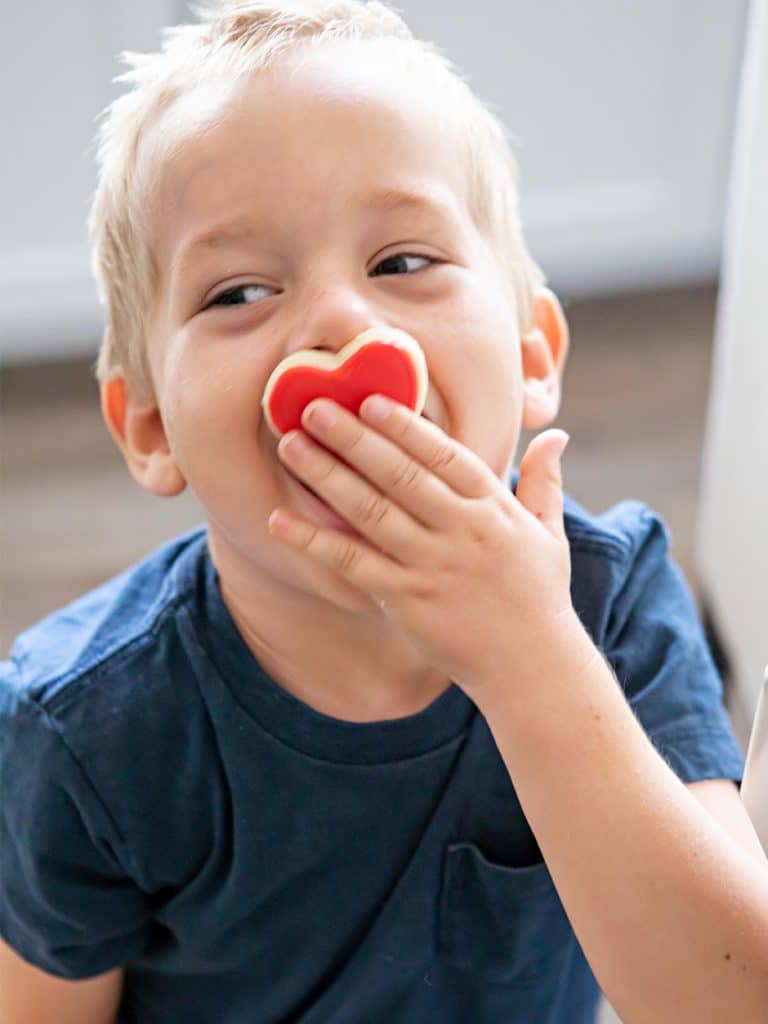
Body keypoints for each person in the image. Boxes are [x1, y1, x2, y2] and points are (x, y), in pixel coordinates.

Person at [2, 2, 768, 1021]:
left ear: (534, 354)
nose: (338, 324)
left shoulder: (614, 605)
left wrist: (529, 655)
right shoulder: (79, 728)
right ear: (148, 426)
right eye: (237, 293)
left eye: (402, 262)